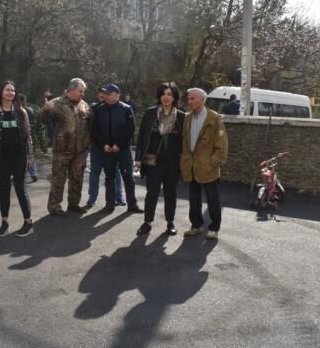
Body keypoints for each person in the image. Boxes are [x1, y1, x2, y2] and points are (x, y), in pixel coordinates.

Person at [134, 82, 185, 236]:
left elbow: (184, 140)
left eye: (169, 94)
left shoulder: (181, 116)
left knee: (170, 193)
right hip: (152, 161)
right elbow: (142, 136)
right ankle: (147, 222)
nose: (166, 97)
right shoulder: (151, 113)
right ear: (159, 96)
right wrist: (138, 157)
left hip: (172, 162)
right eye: (163, 94)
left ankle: (170, 222)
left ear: (174, 97)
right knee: (152, 192)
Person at [0, 81, 35, 237]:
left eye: (13, 90)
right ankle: (4, 223)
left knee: (21, 188)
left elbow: (28, 136)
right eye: (7, 90)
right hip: (2, 158)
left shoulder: (21, 112)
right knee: (4, 189)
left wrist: (30, 156)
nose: (10, 92)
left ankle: (28, 222)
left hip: (19, 156)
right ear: (1, 92)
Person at [40, 78, 93, 216]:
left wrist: (89, 143)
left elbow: (90, 126)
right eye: (80, 91)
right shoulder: (56, 103)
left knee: (77, 178)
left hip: (80, 150)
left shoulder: (85, 106)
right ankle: (54, 206)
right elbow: (41, 120)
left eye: (83, 91)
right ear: (72, 89)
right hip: (62, 150)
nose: (82, 94)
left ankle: (73, 204)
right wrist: (45, 110)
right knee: (59, 178)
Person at [181, 87, 228, 240]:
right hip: (191, 165)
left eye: (192, 98)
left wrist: (214, 162)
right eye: (189, 98)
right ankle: (196, 225)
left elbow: (222, 143)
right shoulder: (187, 117)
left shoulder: (214, 118)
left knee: (213, 200)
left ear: (202, 100)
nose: (189, 101)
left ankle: (214, 228)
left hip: (208, 166)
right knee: (194, 199)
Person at [91, 83, 142, 214]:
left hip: (123, 150)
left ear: (117, 95)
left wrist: (119, 144)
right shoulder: (99, 109)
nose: (105, 96)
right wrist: (103, 145)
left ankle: (132, 204)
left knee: (128, 177)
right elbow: (94, 130)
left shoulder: (126, 109)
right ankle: (109, 204)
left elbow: (130, 129)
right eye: (104, 93)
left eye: (108, 93)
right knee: (109, 178)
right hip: (107, 149)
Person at [85, 86, 125, 209]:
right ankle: (92, 197)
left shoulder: (117, 108)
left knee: (116, 172)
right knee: (94, 172)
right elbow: (90, 128)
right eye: (100, 93)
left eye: (105, 93)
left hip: (112, 148)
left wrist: (117, 144)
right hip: (97, 147)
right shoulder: (93, 108)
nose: (102, 95)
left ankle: (119, 196)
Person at [16, 93, 39, 183]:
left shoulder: (17, 110)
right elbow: (34, 122)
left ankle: (19, 174)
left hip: (21, 135)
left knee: (20, 156)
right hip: (30, 134)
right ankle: (33, 173)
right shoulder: (30, 110)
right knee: (30, 154)